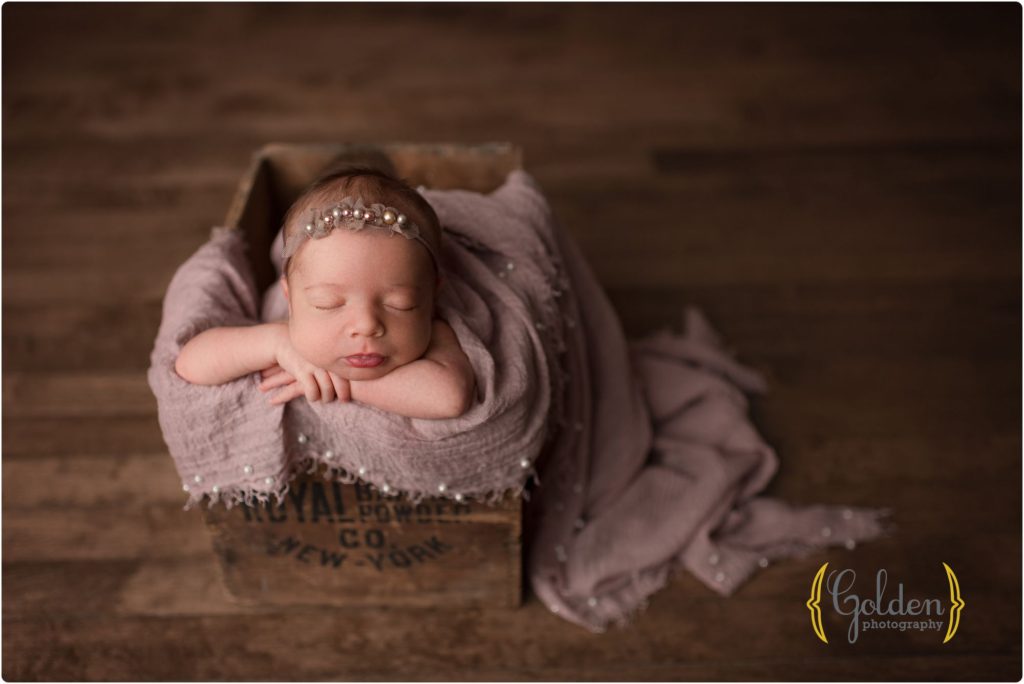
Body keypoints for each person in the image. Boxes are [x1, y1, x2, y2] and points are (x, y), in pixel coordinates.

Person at [174, 166, 476, 420]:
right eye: (327, 304)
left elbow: (450, 398)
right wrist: (275, 343)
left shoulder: (435, 331)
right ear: (290, 299)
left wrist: (344, 383)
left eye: (401, 304)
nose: (366, 325)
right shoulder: (288, 332)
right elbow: (189, 363)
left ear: (432, 296)